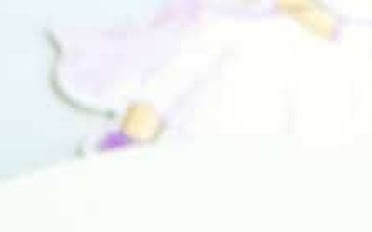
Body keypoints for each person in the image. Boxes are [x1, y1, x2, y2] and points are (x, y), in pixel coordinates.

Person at [54, 0, 372, 150]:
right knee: (205, 44)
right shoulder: (223, 25)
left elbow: (345, 32)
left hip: (324, 56)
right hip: (248, 28)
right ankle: (135, 132)